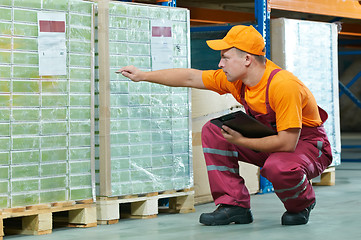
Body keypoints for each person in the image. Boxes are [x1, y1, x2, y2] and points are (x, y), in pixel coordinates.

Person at [116, 25, 333, 226]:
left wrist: (242, 141)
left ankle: (301, 204)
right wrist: (143, 76)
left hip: (307, 145)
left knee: (278, 166)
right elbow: (191, 77)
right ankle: (233, 204)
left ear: (247, 59)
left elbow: (287, 142)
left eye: (225, 58)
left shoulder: (283, 86)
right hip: (272, 138)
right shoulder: (236, 80)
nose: (220, 64)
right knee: (215, 131)